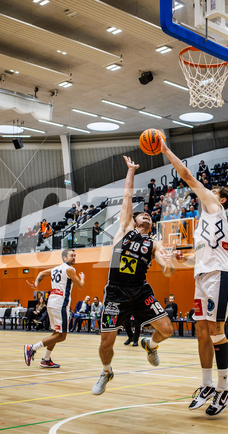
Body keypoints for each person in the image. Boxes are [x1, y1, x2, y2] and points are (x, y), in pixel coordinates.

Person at [161, 140, 228, 416]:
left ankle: (224, 385)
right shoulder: (204, 220)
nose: (206, 193)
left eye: (212, 191)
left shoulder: (215, 208)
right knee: (201, 332)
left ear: (222, 199)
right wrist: (186, 259)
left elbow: (186, 176)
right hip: (203, 276)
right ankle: (207, 385)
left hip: (220, 276)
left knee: (217, 331)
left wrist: (165, 149)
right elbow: (201, 255)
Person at [92, 156, 175, 395]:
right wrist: (130, 171)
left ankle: (150, 345)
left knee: (167, 329)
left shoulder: (154, 243)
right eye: (142, 215)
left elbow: (165, 269)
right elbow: (127, 197)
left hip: (140, 291)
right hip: (116, 292)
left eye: (149, 215)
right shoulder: (124, 230)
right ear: (134, 220)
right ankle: (106, 371)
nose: (147, 215)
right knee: (106, 343)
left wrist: (169, 264)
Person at [24, 248, 85, 368]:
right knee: (62, 336)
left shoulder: (55, 269)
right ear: (64, 258)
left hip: (52, 302)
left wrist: (36, 284)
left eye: (75, 255)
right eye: (71, 255)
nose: (74, 257)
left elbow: (41, 273)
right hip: (60, 304)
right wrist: (82, 278)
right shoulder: (70, 269)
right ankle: (32, 348)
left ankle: (46, 359)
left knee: (55, 333)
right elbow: (80, 286)